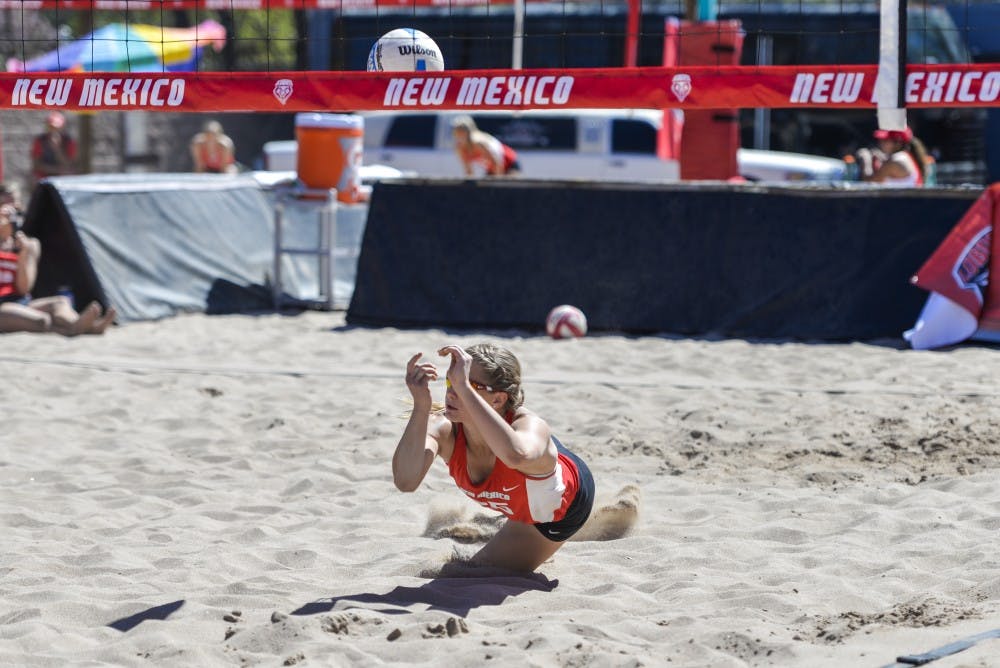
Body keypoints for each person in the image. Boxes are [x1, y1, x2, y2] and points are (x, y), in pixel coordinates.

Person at [394, 342, 595, 573]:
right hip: (521, 485)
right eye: (450, 380)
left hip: (559, 511)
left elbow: (516, 456)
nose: (451, 391)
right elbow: (405, 481)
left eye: (466, 383)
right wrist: (421, 405)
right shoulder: (445, 429)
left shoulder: (530, 425)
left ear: (498, 400)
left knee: (471, 573)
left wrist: (463, 388)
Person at [0, 205, 116, 336]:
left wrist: (23, 254)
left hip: (20, 302)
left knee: (60, 302)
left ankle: (82, 325)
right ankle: (76, 329)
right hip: (2, 307)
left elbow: (23, 289)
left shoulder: (29, 245)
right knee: (41, 320)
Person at [857, 126, 930, 187]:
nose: (881, 142)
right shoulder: (905, 156)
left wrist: (866, 160)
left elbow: (869, 182)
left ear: (898, 143)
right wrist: (884, 159)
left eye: (886, 140)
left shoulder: (896, 159)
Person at [451, 116, 521, 177]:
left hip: (509, 163)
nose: (459, 135)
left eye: (461, 132)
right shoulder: (459, 147)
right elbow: (468, 170)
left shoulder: (478, 142)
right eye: (457, 132)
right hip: (493, 168)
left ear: (468, 131)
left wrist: (498, 182)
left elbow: (496, 162)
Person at [31, 112, 77, 186]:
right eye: (51, 127)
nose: (53, 130)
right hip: (44, 176)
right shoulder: (40, 141)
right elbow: (37, 165)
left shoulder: (69, 142)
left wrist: (57, 149)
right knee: (33, 179)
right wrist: (56, 170)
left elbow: (69, 165)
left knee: (70, 174)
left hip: (63, 176)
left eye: (56, 127)